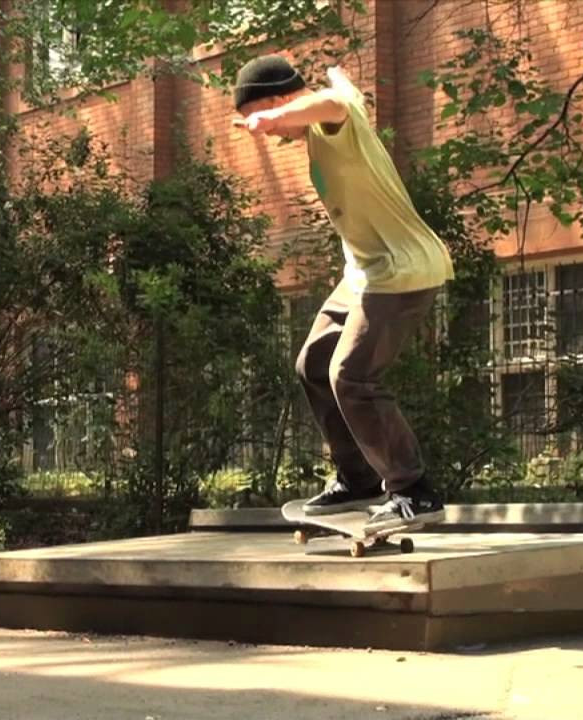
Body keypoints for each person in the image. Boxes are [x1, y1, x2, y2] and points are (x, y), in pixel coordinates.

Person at [231, 55, 454, 531]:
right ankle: (358, 479)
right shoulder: (316, 134)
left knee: (350, 376)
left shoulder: (336, 120)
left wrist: (276, 116)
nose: (270, 135)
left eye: (268, 120)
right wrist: (277, 115)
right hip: (364, 272)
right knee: (312, 364)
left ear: (282, 101)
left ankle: (414, 490)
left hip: (402, 269)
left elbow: (333, 100)